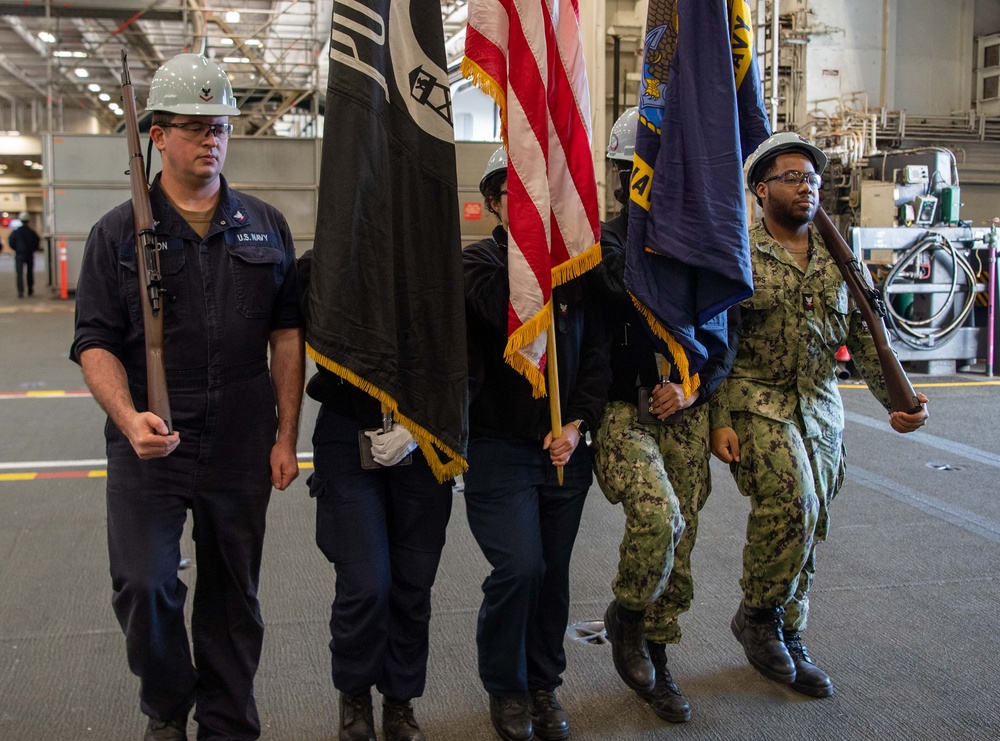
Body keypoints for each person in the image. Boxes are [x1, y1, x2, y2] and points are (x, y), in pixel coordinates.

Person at [70, 53, 304, 741]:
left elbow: (286, 336)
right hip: (151, 438)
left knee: (235, 592)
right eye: (196, 126)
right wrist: (125, 416)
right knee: (145, 584)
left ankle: (228, 720)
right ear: (158, 136)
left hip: (239, 432)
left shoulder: (264, 224)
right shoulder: (116, 235)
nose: (212, 140)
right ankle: (168, 703)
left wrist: (286, 433)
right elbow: (94, 342)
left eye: (221, 126)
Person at [711, 132, 929, 698]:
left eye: (811, 179)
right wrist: (718, 417)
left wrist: (899, 404)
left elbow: (866, 336)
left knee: (812, 524)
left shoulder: (840, 257)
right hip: (755, 400)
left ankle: (788, 629)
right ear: (761, 189)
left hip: (820, 408)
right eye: (791, 177)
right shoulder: (737, 252)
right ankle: (758, 616)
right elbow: (715, 343)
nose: (805, 187)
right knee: (793, 503)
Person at [590, 108, 736, 723]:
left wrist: (694, 388)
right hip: (625, 408)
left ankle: (659, 654)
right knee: (658, 517)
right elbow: (614, 302)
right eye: (637, 172)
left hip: (685, 409)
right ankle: (626, 614)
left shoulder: (707, 253)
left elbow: (724, 341)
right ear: (627, 178)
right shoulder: (605, 244)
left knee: (686, 537)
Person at [463, 148, 609, 741]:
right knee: (519, 567)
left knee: (552, 571)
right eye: (513, 195)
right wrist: (535, 260)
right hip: (499, 448)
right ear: (496, 205)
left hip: (565, 447)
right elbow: (497, 313)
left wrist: (576, 423)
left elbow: (597, 356)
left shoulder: (580, 271)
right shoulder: (475, 266)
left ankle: (544, 683)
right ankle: (506, 686)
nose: (529, 206)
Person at [297, 252, 453, 741]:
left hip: (423, 432)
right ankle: (355, 692)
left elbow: (463, 357)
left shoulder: (440, 260)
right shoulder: (327, 262)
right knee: (366, 582)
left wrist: (421, 422)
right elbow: (303, 295)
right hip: (349, 430)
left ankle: (400, 702)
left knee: (412, 583)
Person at [9, 211, 41, 298]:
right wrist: (32, 249)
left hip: (19, 254)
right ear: (28, 221)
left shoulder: (16, 232)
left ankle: (20, 292)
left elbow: (11, 242)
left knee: (19, 273)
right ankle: (30, 290)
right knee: (30, 273)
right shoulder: (31, 232)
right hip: (29, 255)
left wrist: (16, 249)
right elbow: (37, 242)